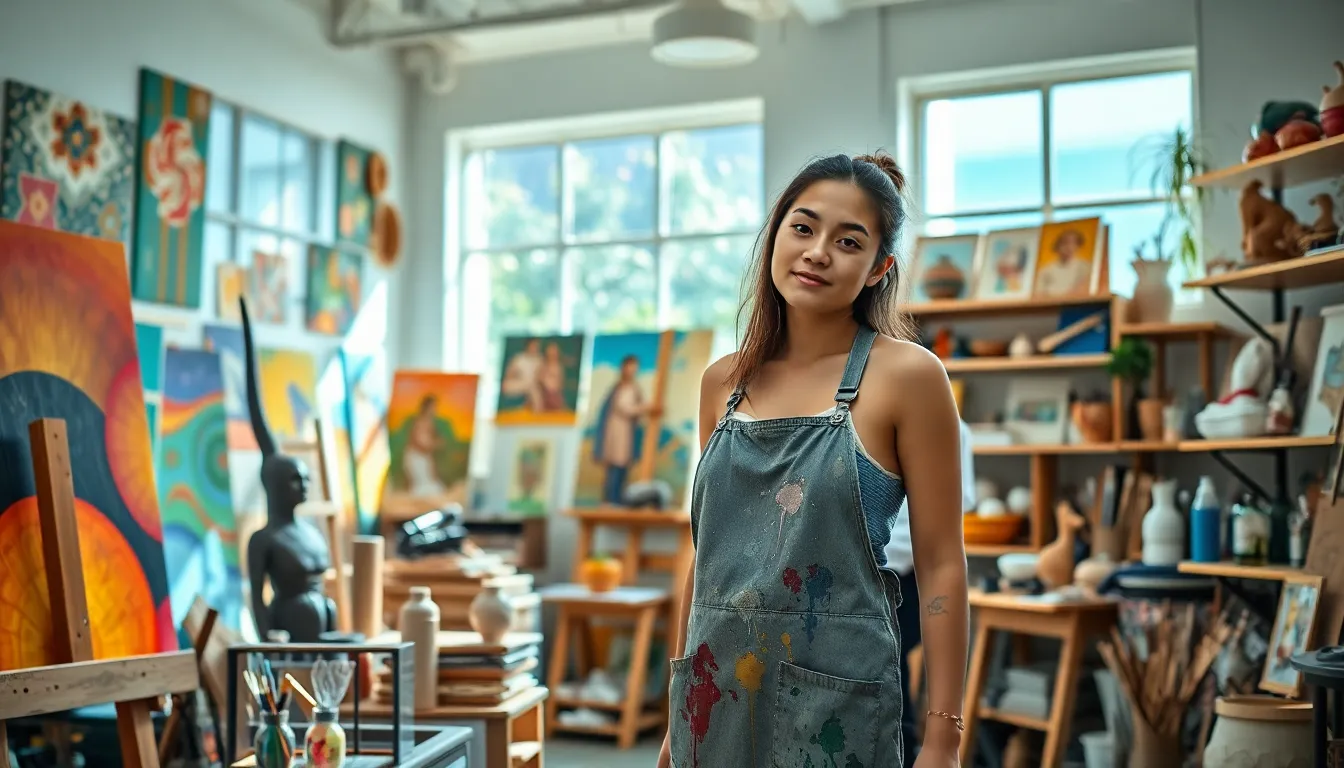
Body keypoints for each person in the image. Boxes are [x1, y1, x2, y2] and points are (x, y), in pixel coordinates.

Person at [658, 152, 969, 768]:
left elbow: (940, 564)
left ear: (879, 268)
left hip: (834, 712)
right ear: (776, 234)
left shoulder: (908, 376)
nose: (818, 251)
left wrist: (943, 739)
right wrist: (676, 712)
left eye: (847, 240)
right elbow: (706, 557)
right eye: (802, 227)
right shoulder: (723, 383)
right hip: (713, 698)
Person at [885, 418, 976, 759]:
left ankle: (906, 750)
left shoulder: (949, 424)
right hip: (879, 574)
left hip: (905, 578)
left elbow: (946, 533)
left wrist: (943, 742)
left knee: (888, 671)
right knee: (892, 673)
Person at [591, 355, 657, 505]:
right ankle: (612, 500)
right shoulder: (622, 388)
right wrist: (645, 408)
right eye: (630, 367)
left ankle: (617, 499)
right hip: (617, 433)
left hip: (625, 432)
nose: (633, 370)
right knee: (616, 467)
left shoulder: (632, 387)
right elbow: (624, 408)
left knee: (621, 468)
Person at [402, 394, 445, 496]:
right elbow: (421, 443)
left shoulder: (429, 422)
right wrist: (435, 444)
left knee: (433, 487)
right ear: (427, 407)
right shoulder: (420, 422)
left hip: (423, 459)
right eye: (433, 407)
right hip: (416, 458)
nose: (435, 410)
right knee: (423, 489)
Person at [1035, 228, 1091, 297]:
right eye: (1065, 243)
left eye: (1073, 243)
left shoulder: (1085, 267)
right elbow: (1039, 294)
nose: (1069, 247)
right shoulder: (1046, 270)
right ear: (1058, 245)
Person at [500, 338, 545, 411]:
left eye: (537, 346)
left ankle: (537, 414)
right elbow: (509, 375)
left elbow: (540, 377)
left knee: (534, 390)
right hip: (519, 383)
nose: (535, 348)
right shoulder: (518, 358)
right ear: (528, 346)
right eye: (533, 346)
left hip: (533, 386)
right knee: (506, 385)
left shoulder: (539, 360)